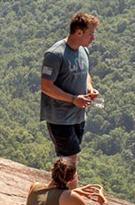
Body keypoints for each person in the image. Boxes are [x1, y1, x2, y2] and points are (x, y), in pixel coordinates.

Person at [40, 12, 100, 161]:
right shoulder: (55, 55)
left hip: (78, 117)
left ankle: (55, 182)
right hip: (60, 118)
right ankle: (71, 185)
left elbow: (85, 73)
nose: (93, 38)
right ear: (79, 32)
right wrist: (73, 99)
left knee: (66, 160)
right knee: (70, 161)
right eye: (90, 34)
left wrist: (89, 88)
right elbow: (46, 86)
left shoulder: (83, 50)